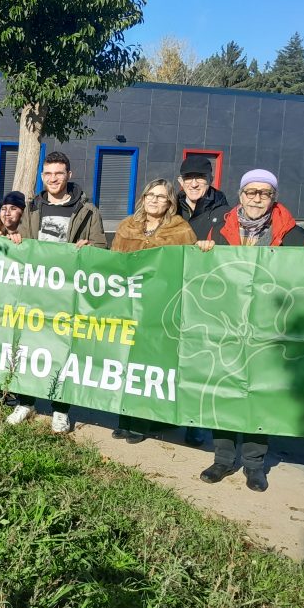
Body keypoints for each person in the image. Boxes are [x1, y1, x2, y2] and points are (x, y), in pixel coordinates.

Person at [197, 168, 304, 493]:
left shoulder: (294, 235)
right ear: (241, 195)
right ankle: (222, 458)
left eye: (264, 193)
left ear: (273, 197)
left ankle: (254, 464)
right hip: (227, 323)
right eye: (251, 192)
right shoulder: (220, 228)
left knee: (258, 393)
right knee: (223, 390)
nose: (257, 198)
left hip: (270, 327)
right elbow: (203, 273)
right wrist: (202, 251)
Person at [13, 151, 106, 433]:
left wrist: (90, 249)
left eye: (59, 173)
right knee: (28, 346)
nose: (53, 179)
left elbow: (102, 248)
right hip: (35, 290)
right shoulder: (32, 207)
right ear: (42, 176)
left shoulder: (88, 210)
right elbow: (23, 242)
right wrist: (15, 239)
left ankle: (61, 409)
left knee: (64, 350)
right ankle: (25, 402)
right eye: (48, 174)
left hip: (68, 293)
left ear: (69, 175)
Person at [109, 179, 196, 443]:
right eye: (150, 195)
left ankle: (142, 420)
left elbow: (189, 268)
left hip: (160, 308)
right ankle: (124, 418)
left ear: (170, 202)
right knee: (124, 361)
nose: (155, 200)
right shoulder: (127, 226)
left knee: (148, 366)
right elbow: (113, 261)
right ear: (143, 198)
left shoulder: (181, 230)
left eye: (161, 196)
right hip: (129, 305)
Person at [176, 155, 229, 240]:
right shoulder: (172, 209)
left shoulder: (225, 214)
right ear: (181, 181)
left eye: (200, 177)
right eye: (188, 177)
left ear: (210, 180)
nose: (194, 184)